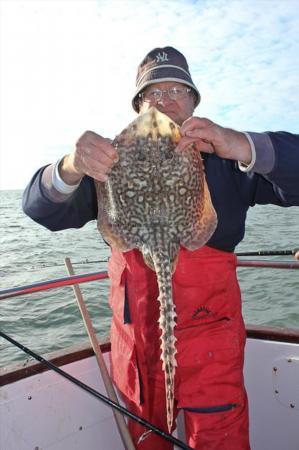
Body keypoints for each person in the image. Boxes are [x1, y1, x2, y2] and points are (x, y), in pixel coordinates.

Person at [22, 46, 299, 450]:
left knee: (219, 434)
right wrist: (71, 165)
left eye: (177, 91)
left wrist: (241, 144)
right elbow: (37, 207)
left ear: (194, 102)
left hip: (212, 343)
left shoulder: (223, 160)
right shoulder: (111, 162)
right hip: (136, 346)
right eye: (153, 93)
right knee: (145, 434)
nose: (164, 101)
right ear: (137, 107)